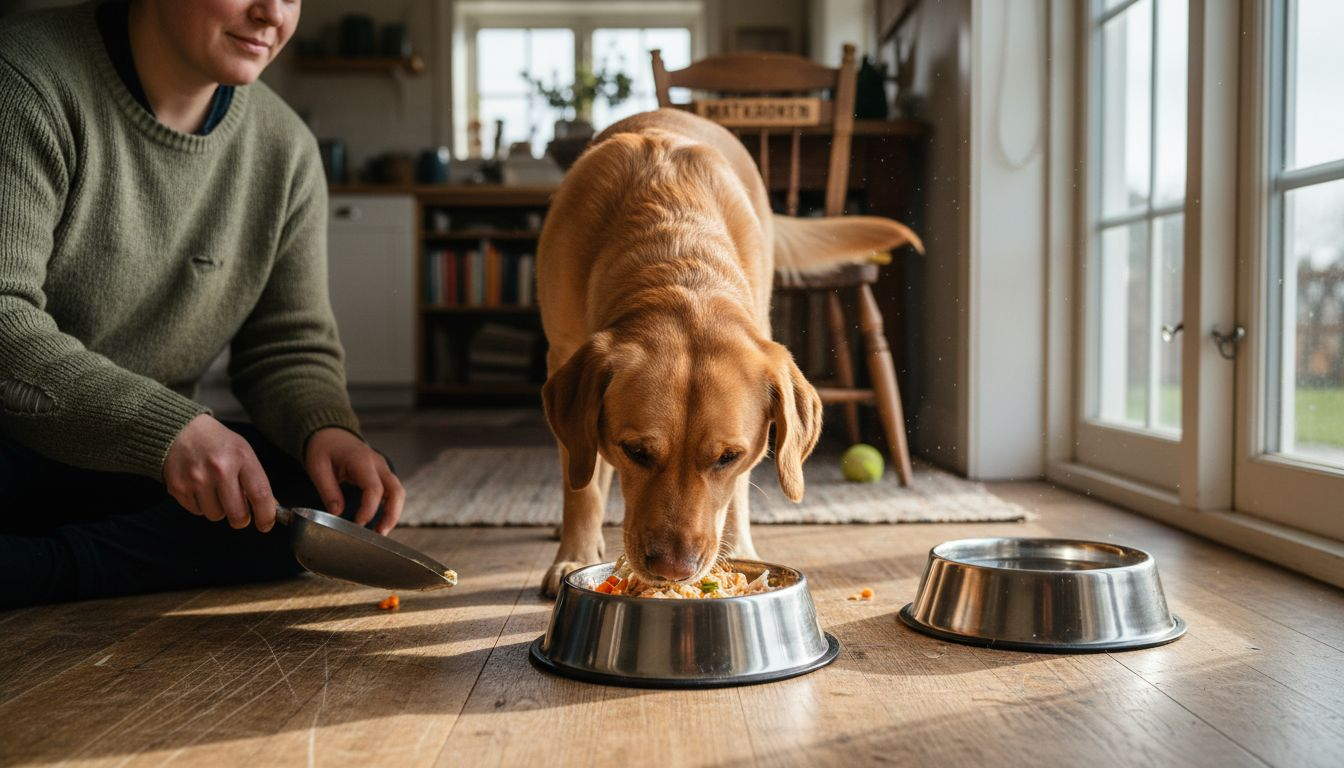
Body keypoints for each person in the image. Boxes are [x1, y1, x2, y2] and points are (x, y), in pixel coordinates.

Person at [0, 0, 404, 609]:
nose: (272, 13)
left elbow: (287, 346)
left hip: (134, 463)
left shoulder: (285, 147)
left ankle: (34, 569)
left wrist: (326, 429)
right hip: (17, 442)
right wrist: (167, 426)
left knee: (323, 492)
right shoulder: (26, 77)